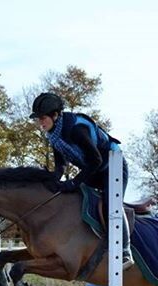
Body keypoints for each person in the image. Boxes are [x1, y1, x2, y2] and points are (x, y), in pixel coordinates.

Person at [30, 92, 133, 269]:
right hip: (95, 169)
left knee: (110, 203)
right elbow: (61, 166)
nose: (40, 123)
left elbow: (96, 160)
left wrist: (74, 182)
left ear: (55, 115)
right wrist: (52, 181)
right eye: (38, 119)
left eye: (43, 118)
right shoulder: (54, 136)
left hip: (113, 166)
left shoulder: (76, 130)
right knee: (74, 199)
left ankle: (124, 250)